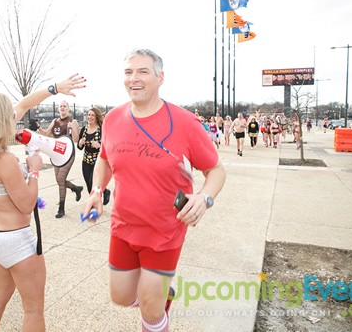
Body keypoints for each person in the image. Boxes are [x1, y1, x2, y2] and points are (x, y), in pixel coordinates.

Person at [82, 49, 226, 332]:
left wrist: (204, 198)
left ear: (160, 78)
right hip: (123, 226)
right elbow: (105, 159)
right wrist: (97, 190)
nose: (134, 78)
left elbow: (216, 171)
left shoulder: (185, 123)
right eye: (128, 72)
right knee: (121, 297)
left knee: (150, 310)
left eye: (143, 72)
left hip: (165, 231)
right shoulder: (112, 119)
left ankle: (157, 308)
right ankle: (162, 293)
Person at [0, 75, 86, 331]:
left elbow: (24, 104)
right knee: (33, 310)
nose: (14, 116)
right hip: (16, 240)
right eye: (8, 115)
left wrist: (54, 89)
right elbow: (27, 204)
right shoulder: (3, 159)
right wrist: (36, 170)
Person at [38, 100, 83, 218]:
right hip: (56, 153)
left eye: (65, 106)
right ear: (59, 109)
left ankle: (61, 208)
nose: (62, 108)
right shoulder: (55, 121)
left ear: (68, 109)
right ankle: (76, 188)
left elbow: (76, 140)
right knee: (59, 181)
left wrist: (72, 128)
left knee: (61, 178)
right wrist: (38, 127)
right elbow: (47, 135)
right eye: (61, 106)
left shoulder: (73, 121)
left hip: (68, 154)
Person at [77, 107, 111, 205]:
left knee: (93, 183)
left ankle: (95, 203)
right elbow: (79, 147)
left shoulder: (102, 130)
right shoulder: (84, 129)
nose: (90, 117)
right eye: (89, 115)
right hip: (86, 160)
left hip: (98, 161)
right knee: (88, 183)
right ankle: (105, 191)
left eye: (92, 115)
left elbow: (109, 145)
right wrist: (80, 143)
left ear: (96, 117)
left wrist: (100, 145)